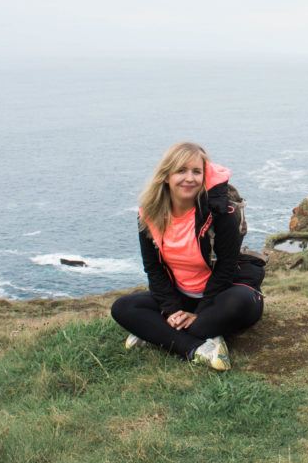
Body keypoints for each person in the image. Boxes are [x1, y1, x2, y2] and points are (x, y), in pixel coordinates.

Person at [111, 142, 264, 371]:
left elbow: (226, 268)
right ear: (166, 177)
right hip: (181, 295)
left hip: (223, 294)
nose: (189, 178)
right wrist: (172, 310)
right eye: (181, 171)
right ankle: (198, 348)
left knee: (237, 303)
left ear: (205, 176)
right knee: (123, 307)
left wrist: (199, 312)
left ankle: (158, 334)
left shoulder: (221, 213)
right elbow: (153, 269)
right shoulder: (149, 215)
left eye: (196, 171)